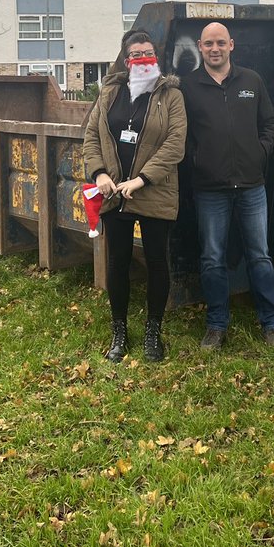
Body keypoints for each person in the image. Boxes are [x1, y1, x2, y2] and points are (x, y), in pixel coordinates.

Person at [83, 30, 187, 362]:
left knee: (157, 261)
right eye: (136, 54)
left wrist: (142, 180)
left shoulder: (171, 95)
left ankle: (153, 332)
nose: (143, 59)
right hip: (114, 192)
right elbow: (91, 135)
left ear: (156, 58)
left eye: (148, 53)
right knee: (118, 262)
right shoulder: (110, 92)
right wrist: (99, 172)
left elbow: (175, 144)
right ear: (126, 61)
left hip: (153, 191)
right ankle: (119, 330)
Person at [180, 22, 274, 349]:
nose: (214, 48)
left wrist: (260, 152)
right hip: (210, 190)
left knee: (260, 256)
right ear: (199, 46)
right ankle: (216, 325)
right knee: (212, 257)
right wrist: (197, 160)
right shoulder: (188, 87)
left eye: (220, 43)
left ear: (231, 45)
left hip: (252, 186)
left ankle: (271, 323)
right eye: (208, 43)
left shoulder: (250, 80)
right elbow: (180, 135)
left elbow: (270, 123)